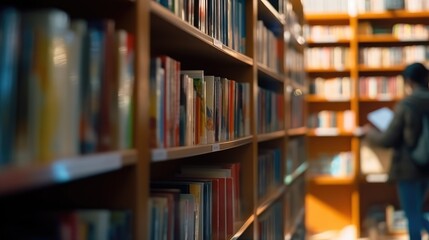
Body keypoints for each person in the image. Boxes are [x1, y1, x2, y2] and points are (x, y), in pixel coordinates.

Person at [363, 62, 429, 240]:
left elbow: (388, 140)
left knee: (412, 214)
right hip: (426, 167)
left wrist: (369, 134)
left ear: (408, 81)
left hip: (408, 168)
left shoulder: (406, 105)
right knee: (417, 211)